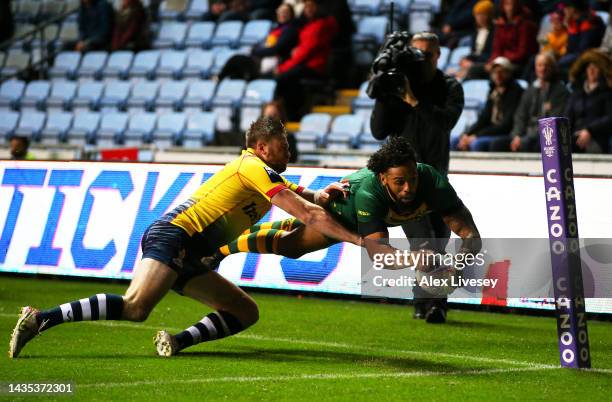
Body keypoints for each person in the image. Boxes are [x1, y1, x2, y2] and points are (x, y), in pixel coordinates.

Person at [8, 117, 364, 359]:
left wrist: (324, 192)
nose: (289, 150)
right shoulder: (250, 166)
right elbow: (304, 211)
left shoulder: (265, 173)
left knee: (244, 310)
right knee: (136, 307)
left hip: (189, 251)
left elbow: (309, 196)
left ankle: (177, 342)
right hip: (175, 234)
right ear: (261, 146)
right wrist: (358, 239)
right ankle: (42, 318)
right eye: (282, 144)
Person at [202, 137, 481, 325]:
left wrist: (460, 265)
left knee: (292, 238)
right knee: (291, 247)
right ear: (383, 178)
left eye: (412, 179)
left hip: (368, 216)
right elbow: (380, 255)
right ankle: (224, 247)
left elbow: (470, 234)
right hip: (342, 213)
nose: (408, 188)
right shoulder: (369, 194)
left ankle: (275, 229)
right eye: (399, 182)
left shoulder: (432, 181)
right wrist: (414, 259)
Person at [369, 31, 464, 322]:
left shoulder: (449, 86)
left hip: (435, 178)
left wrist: (415, 101)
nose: (420, 59)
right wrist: (388, 94)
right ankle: (436, 305)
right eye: (416, 53)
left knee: (437, 240)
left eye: (427, 54)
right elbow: (378, 130)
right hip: (404, 186)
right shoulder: (397, 86)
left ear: (438, 56)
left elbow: (445, 122)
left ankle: (422, 301)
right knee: (423, 241)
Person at [490, 53, 569, 152]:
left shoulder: (560, 91)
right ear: (535, 68)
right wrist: (517, 136)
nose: (542, 69)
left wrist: (524, 138)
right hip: (524, 135)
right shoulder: (530, 90)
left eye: (546, 65)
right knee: (496, 144)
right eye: (539, 65)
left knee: (528, 144)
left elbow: (553, 122)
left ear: (552, 68)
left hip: (544, 137)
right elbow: (520, 116)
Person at [273, 0, 338, 120]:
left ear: (318, 7)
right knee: (289, 80)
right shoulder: (307, 25)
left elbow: (305, 52)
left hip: (315, 66)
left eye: (311, 6)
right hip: (305, 64)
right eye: (306, 6)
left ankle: (291, 116)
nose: (308, 9)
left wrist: (283, 68)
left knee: (283, 78)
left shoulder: (319, 25)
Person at [452, 56, 524, 151]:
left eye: (501, 71)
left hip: (505, 133)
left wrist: (476, 136)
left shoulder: (516, 92)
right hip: (490, 131)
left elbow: (506, 125)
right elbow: (483, 118)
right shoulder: (493, 91)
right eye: (495, 72)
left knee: (477, 144)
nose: (498, 75)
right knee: (455, 141)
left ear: (509, 73)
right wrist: (467, 134)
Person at [466, 0, 538, 80]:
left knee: (495, 72)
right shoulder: (500, 24)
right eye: (507, 4)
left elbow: (522, 52)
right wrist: (493, 62)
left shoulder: (525, 24)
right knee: (474, 70)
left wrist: (501, 61)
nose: (510, 8)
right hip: (500, 62)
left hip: (517, 63)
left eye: (512, 4)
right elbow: (496, 49)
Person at [565, 49, 612, 153]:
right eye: (589, 67)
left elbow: (610, 118)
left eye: (595, 67)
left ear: (601, 70)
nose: (591, 70)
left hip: (598, 138)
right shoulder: (576, 93)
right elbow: (567, 117)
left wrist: (590, 131)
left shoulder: (608, 92)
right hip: (574, 137)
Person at [448, 0, 495, 81]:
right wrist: (465, 58)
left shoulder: (495, 32)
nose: (478, 17)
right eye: (476, 15)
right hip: (475, 62)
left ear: (489, 15)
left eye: (481, 14)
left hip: (486, 63)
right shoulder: (476, 32)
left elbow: (490, 54)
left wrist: (472, 63)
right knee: (450, 71)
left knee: (469, 70)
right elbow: (474, 52)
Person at [558, 0, 605, 71]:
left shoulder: (590, 22)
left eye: (565, 8)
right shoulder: (574, 23)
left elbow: (583, 50)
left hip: (592, 59)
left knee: (560, 64)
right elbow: (570, 48)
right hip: (578, 56)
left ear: (572, 9)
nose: (564, 11)